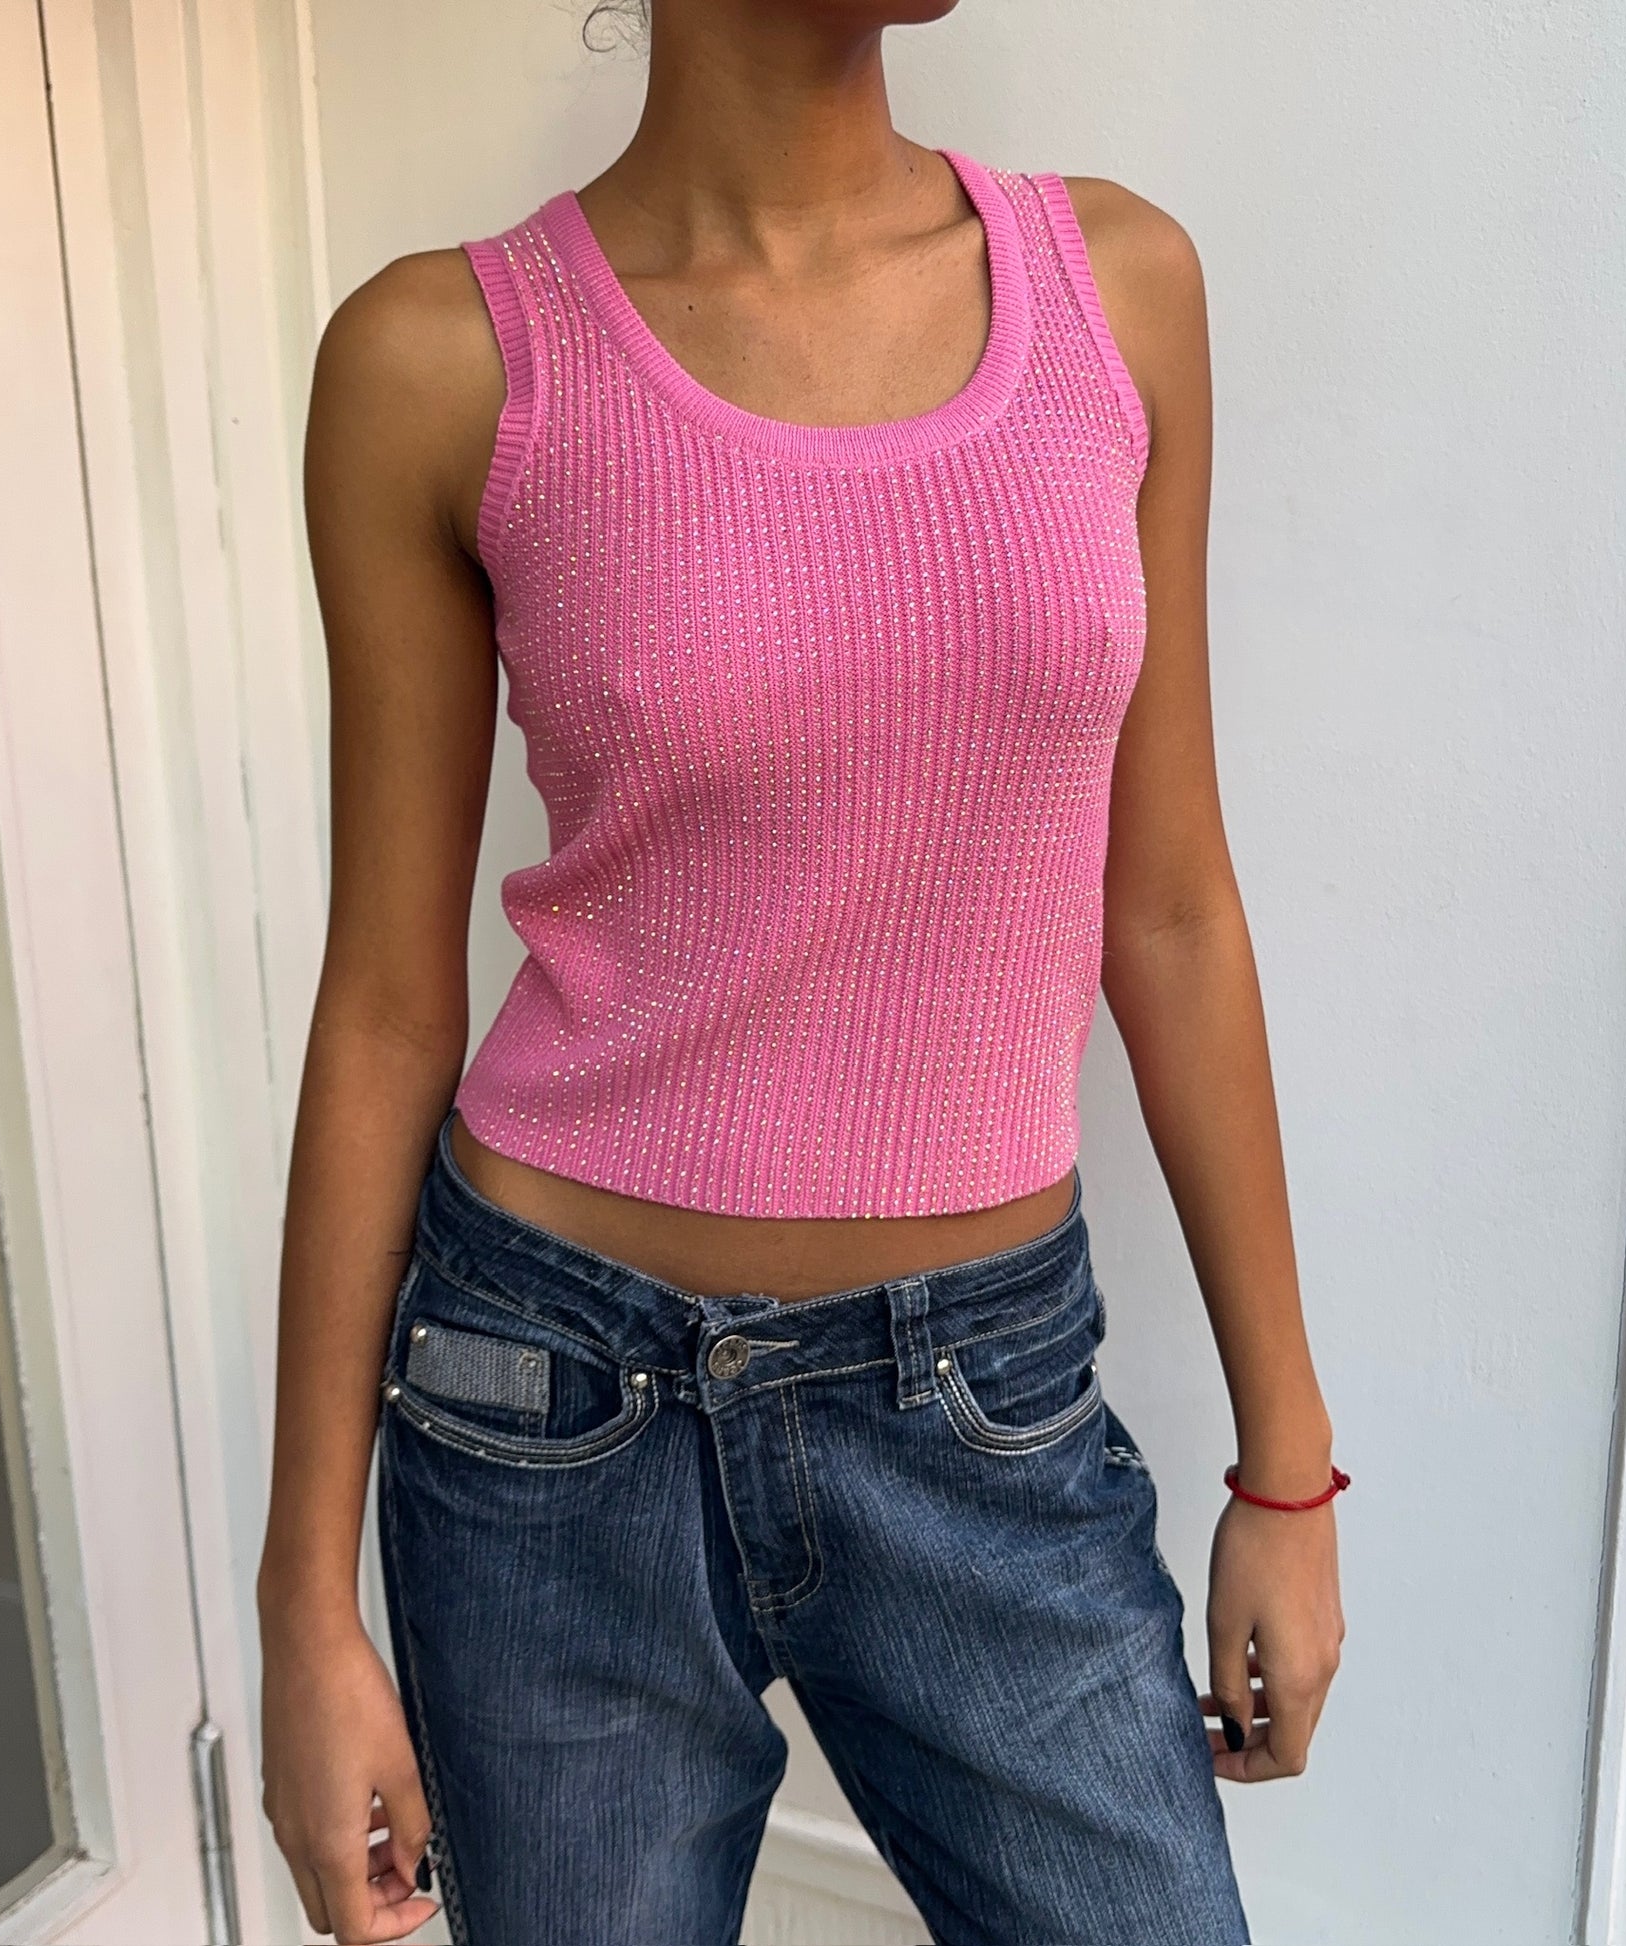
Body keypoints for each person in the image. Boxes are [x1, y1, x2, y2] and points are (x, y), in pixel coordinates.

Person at [256, 2, 1346, 1941]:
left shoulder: (1116, 289)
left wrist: (1287, 1473)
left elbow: (1169, 907)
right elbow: (387, 1009)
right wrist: (304, 1612)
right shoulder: (441, 358)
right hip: (547, 1406)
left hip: (984, 1399)